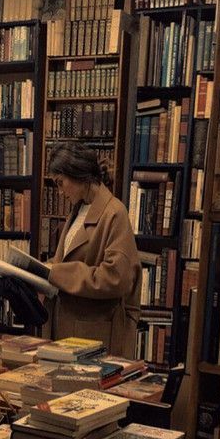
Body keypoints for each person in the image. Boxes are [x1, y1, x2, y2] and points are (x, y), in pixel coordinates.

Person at [42, 141, 141, 359]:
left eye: (60, 183)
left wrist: (56, 273)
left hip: (94, 333)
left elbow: (116, 278)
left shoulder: (114, 213)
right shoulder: (78, 211)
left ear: (78, 174)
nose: (59, 192)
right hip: (68, 326)